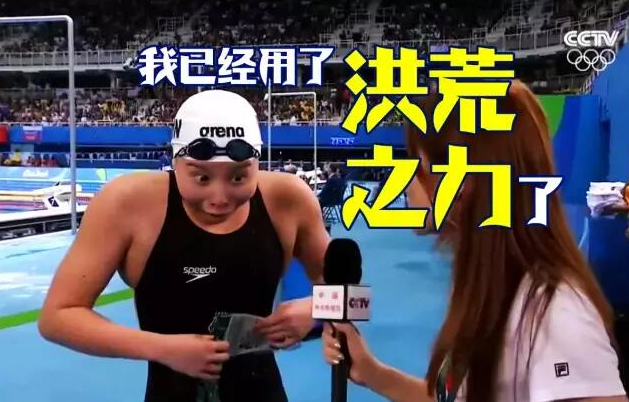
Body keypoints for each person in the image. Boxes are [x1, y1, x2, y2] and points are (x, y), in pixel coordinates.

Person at [322, 80, 628, 402]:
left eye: (417, 165)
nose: (406, 182)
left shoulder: (555, 314)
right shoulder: (493, 289)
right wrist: (374, 374)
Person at [39, 89, 330, 401]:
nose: (219, 198)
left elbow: (356, 297)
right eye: (201, 178)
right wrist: (163, 348)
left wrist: (315, 309)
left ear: (256, 163)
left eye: (238, 178)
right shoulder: (127, 204)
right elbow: (58, 316)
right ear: (175, 161)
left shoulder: (288, 199)